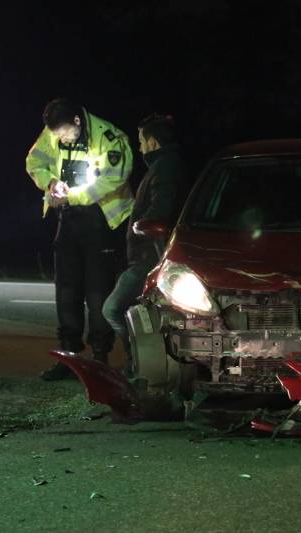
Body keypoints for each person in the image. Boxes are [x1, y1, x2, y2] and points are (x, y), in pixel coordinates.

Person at [26, 98, 134, 380]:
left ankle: (99, 359)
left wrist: (71, 196)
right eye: (57, 134)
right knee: (66, 290)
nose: (61, 138)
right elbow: (34, 161)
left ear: (77, 121)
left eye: (64, 132)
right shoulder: (53, 132)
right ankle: (68, 356)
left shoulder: (109, 137)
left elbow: (113, 179)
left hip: (102, 221)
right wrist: (51, 183)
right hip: (68, 219)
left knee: (98, 292)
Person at [102, 113, 187, 376]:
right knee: (138, 313)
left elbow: (161, 209)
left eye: (141, 141)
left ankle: (138, 363)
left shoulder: (165, 168)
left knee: (113, 308)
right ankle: (141, 364)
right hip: (148, 255)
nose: (140, 148)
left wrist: (141, 227)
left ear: (152, 142)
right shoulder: (164, 165)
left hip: (150, 257)